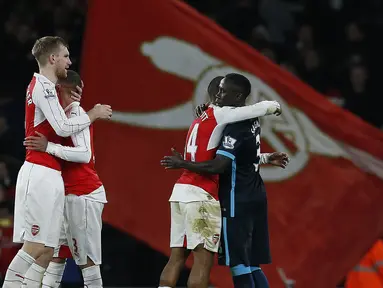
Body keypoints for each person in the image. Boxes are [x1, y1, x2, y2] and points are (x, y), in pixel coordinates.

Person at [2, 37, 112, 288]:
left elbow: (75, 145)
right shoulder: (43, 88)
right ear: (53, 59)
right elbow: (62, 128)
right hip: (43, 174)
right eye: (66, 55)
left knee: (48, 250)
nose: (69, 60)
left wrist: (52, 143)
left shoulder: (63, 105)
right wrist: (93, 114)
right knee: (39, 248)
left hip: (64, 182)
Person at [161, 73, 289, 288]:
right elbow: (230, 161)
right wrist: (274, 106)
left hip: (194, 192)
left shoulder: (204, 119)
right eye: (218, 91)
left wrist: (182, 163)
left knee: (182, 258)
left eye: (223, 91)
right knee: (227, 263)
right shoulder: (233, 118)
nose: (219, 95)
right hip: (214, 194)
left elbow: (224, 161)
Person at [23, 70, 106, 288]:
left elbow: (84, 153)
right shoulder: (59, 116)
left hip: (83, 193)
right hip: (65, 193)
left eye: (53, 89)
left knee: (87, 261)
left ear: (62, 89)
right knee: (56, 256)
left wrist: (48, 147)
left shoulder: (75, 113)